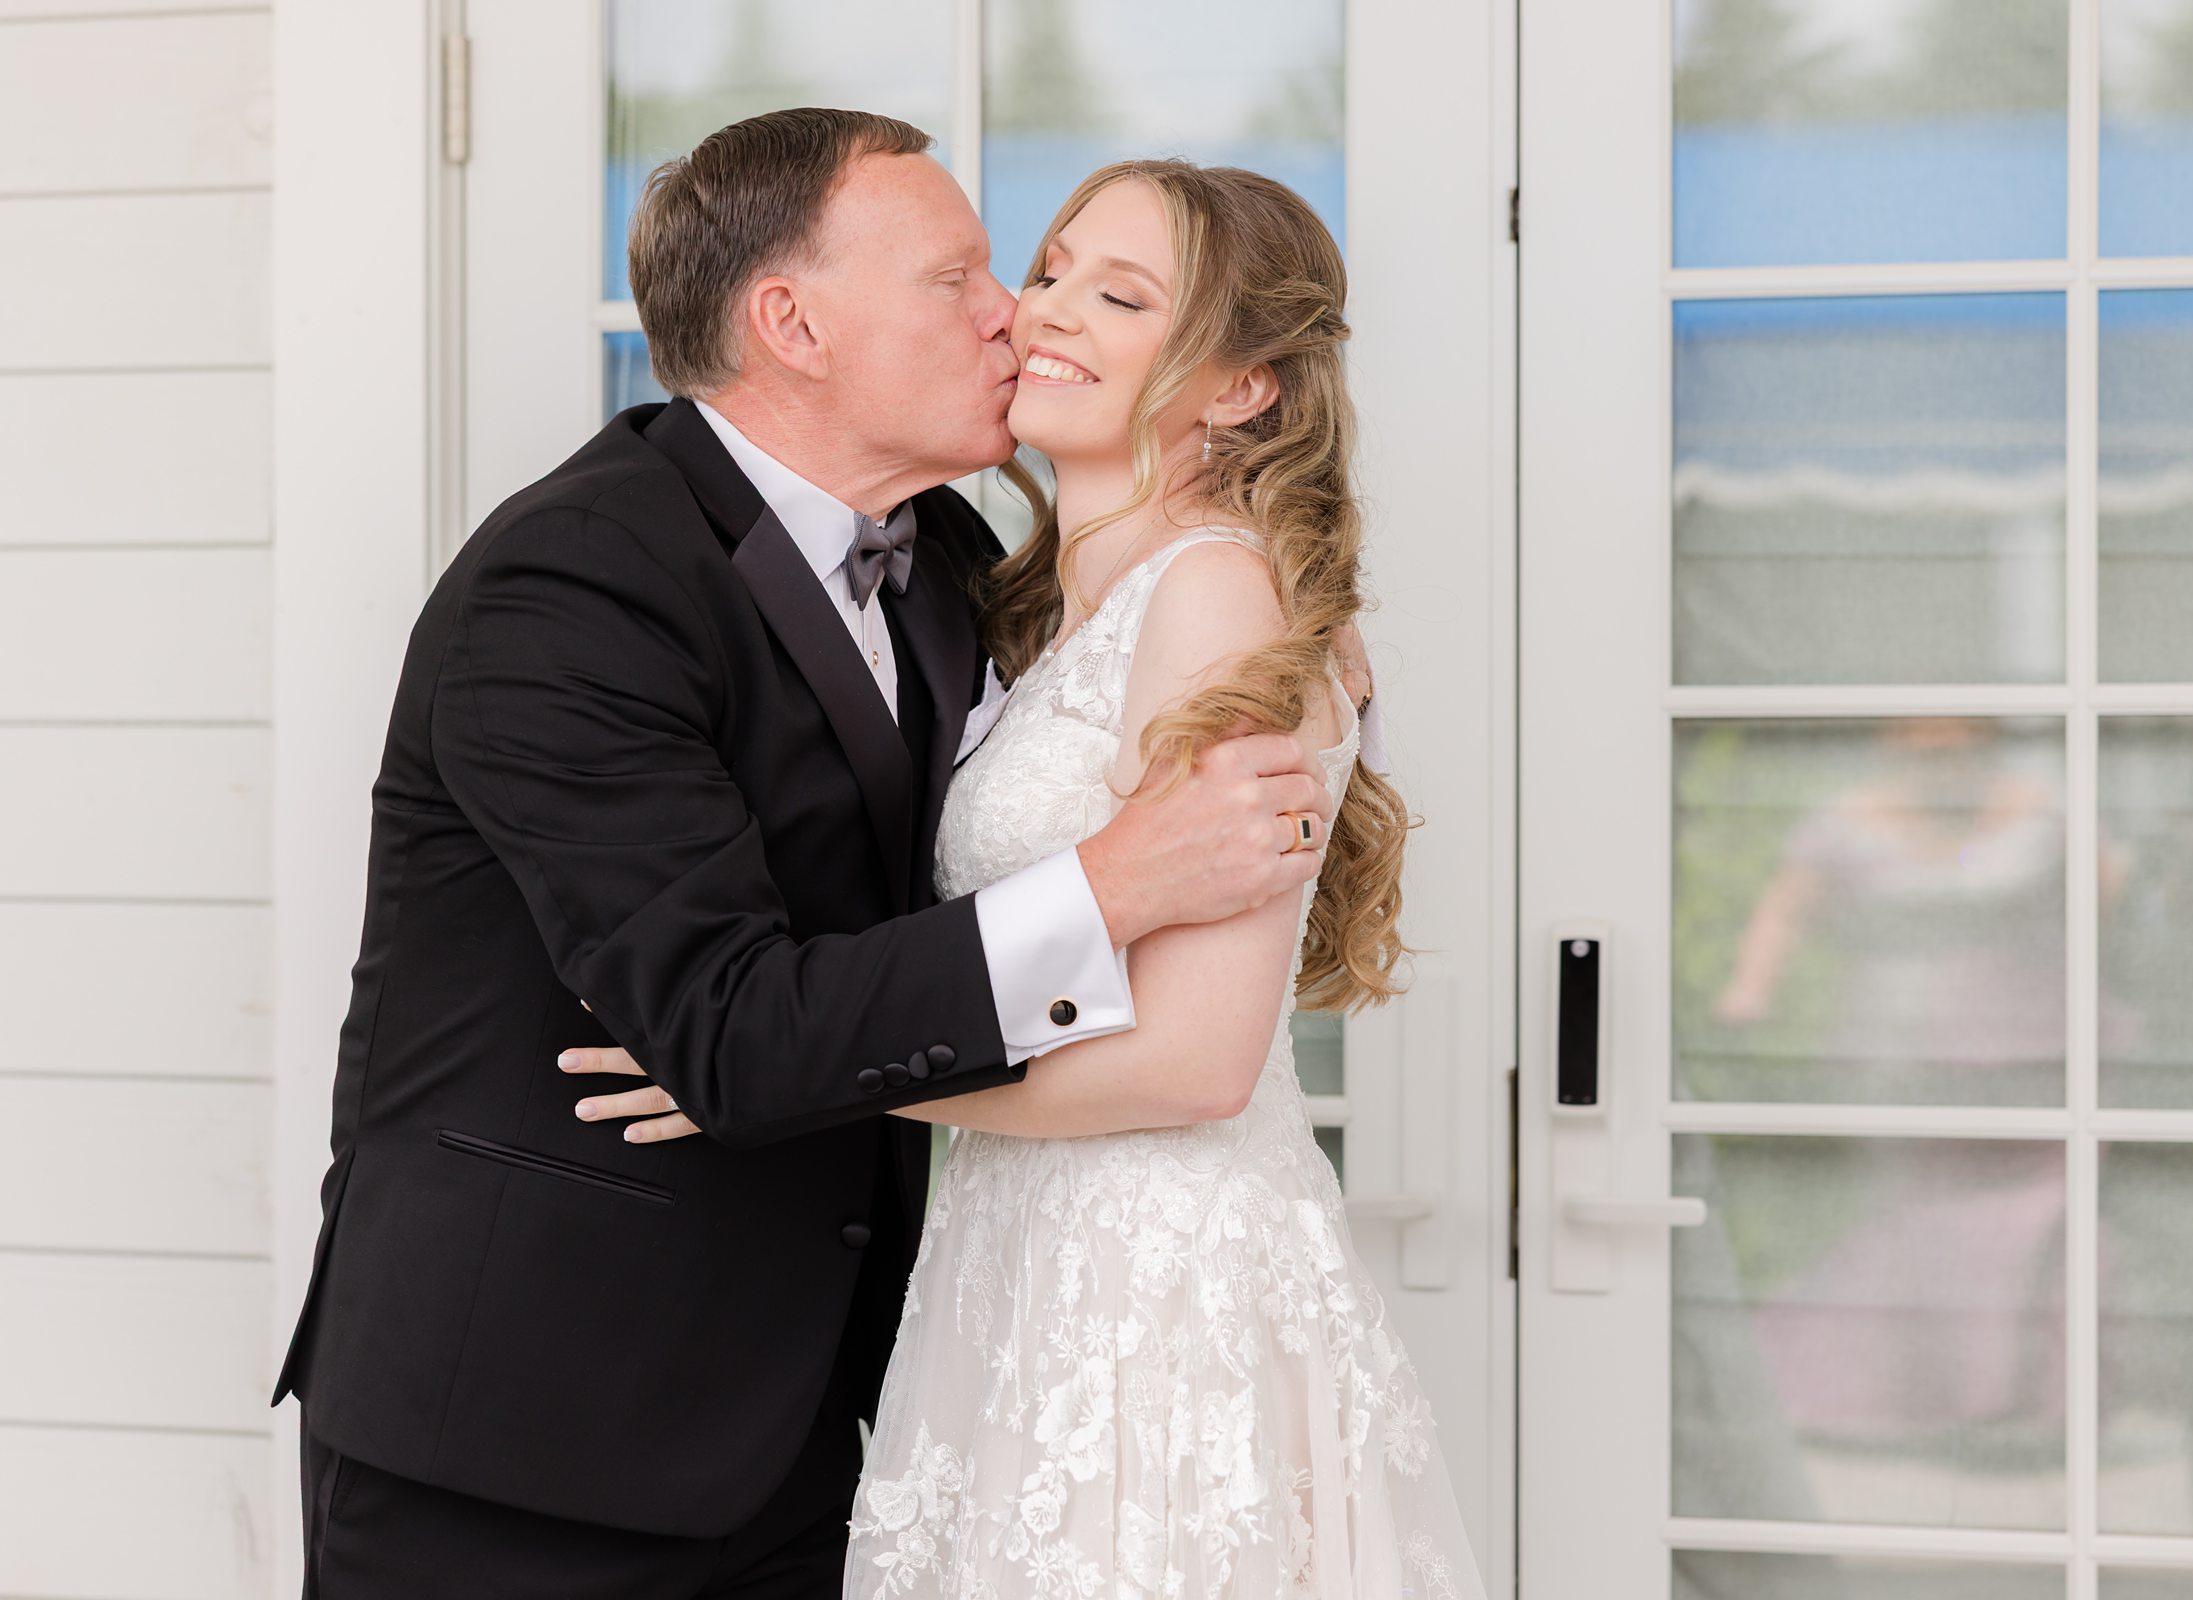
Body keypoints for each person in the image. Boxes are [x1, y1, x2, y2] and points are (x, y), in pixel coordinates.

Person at [271, 109, 1343, 1598]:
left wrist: (1297, 605)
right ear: (792, 322)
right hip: (533, 1435)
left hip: (831, 1422)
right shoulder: (573, 583)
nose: (1011, 316)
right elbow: (729, 1030)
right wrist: (1118, 883)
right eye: (965, 276)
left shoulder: (957, 569)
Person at [591, 158, 1487, 1599]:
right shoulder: (1003, 591)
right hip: (1014, 1256)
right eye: (1052, 269)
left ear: (1242, 387)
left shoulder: (1214, 593)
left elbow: (1198, 1063)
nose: (1039, 314)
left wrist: (772, 1069)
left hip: (1152, 1287)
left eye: (1118, 295)